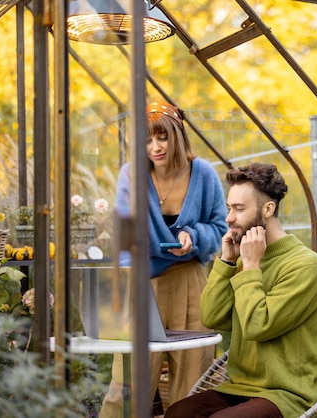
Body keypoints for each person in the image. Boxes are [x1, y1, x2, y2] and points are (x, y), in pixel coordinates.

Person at [165, 163, 317, 418]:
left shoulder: (305, 266)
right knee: (178, 413)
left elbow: (257, 326)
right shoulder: (244, 260)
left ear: (268, 209)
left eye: (239, 209)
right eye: (229, 208)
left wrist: (251, 266)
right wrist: (227, 262)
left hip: (287, 394)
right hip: (239, 388)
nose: (229, 217)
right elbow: (212, 317)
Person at [99, 102, 228, 417]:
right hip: (143, 283)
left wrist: (194, 237)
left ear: (178, 136)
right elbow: (125, 232)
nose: (154, 147)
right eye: (146, 140)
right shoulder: (131, 175)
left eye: (162, 138)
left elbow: (220, 227)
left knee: (195, 377)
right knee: (127, 381)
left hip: (191, 282)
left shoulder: (204, 174)